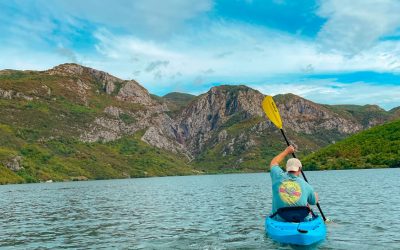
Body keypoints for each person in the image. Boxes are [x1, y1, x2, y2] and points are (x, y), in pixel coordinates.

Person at [269, 145, 318, 221]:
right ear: (300, 169)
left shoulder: (277, 176)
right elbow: (313, 201)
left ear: (286, 168)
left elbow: (273, 163)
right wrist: (314, 194)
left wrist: (287, 151)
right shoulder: (306, 186)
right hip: (301, 220)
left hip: (280, 220)